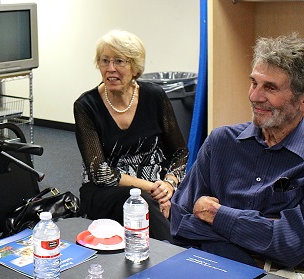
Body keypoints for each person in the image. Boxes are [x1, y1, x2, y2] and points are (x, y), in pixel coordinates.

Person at [170, 33, 304, 272]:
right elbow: (180, 222)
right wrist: (255, 247)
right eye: (254, 83)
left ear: (301, 100)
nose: (254, 96)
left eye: (270, 87)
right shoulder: (220, 142)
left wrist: (216, 214)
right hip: (211, 264)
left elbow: (292, 246)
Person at [73, 29, 188, 241]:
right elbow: (100, 173)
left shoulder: (154, 96)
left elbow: (180, 152)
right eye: (104, 61)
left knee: (195, 201)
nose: (110, 69)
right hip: (105, 192)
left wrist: (169, 184)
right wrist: (153, 189)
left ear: (135, 67)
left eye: (119, 61)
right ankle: (171, 253)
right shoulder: (85, 106)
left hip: (158, 185)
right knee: (139, 200)